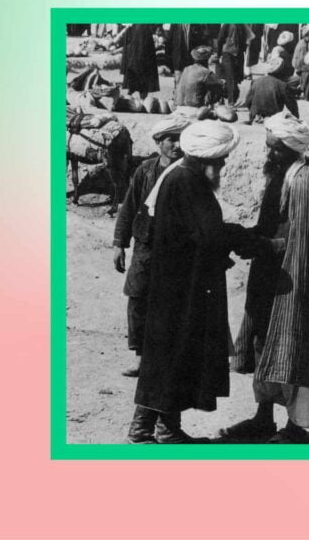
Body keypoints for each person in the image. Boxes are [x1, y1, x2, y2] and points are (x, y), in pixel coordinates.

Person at [126, 121, 262, 444]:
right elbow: (209, 235)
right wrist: (256, 243)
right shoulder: (186, 182)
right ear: (206, 161)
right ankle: (162, 429)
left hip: (175, 286)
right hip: (179, 291)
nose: (224, 165)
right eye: (221, 160)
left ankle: (148, 427)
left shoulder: (181, 177)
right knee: (173, 356)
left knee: (166, 357)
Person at [222, 112, 309, 444]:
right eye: (268, 146)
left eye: (275, 148)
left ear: (292, 149)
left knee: (294, 349)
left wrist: (263, 245)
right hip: (271, 276)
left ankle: (298, 427)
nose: (269, 153)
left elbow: (303, 243)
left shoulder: (305, 181)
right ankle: (263, 419)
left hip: (296, 283)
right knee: (264, 345)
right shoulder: (278, 176)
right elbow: (272, 228)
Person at [112, 115, 193, 378]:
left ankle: (171, 359)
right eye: (171, 139)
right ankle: (140, 357)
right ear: (159, 142)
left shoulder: (189, 172)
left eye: (180, 139)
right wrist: (119, 244)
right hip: (146, 246)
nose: (177, 145)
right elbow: (129, 207)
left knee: (172, 302)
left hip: (176, 249)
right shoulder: (145, 170)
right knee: (137, 299)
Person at [246, 57, 300, 123]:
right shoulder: (282, 85)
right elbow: (291, 104)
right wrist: (296, 118)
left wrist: (252, 112)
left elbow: (248, 101)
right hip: (273, 118)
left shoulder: (255, 81)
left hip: (256, 116)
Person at [114, 24, 160, 101]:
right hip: (137, 33)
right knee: (137, 65)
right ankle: (134, 94)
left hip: (140, 34)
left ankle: (138, 94)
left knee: (139, 64)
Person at [174, 45, 222, 113]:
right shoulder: (206, 72)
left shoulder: (186, 69)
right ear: (207, 59)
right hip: (194, 110)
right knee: (216, 88)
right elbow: (219, 88)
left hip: (178, 108)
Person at [217, 24, 250, 105]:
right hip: (229, 54)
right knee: (231, 78)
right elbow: (220, 39)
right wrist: (219, 54)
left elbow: (247, 39)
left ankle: (230, 98)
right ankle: (231, 101)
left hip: (235, 54)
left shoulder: (242, 25)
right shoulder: (230, 25)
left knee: (234, 78)